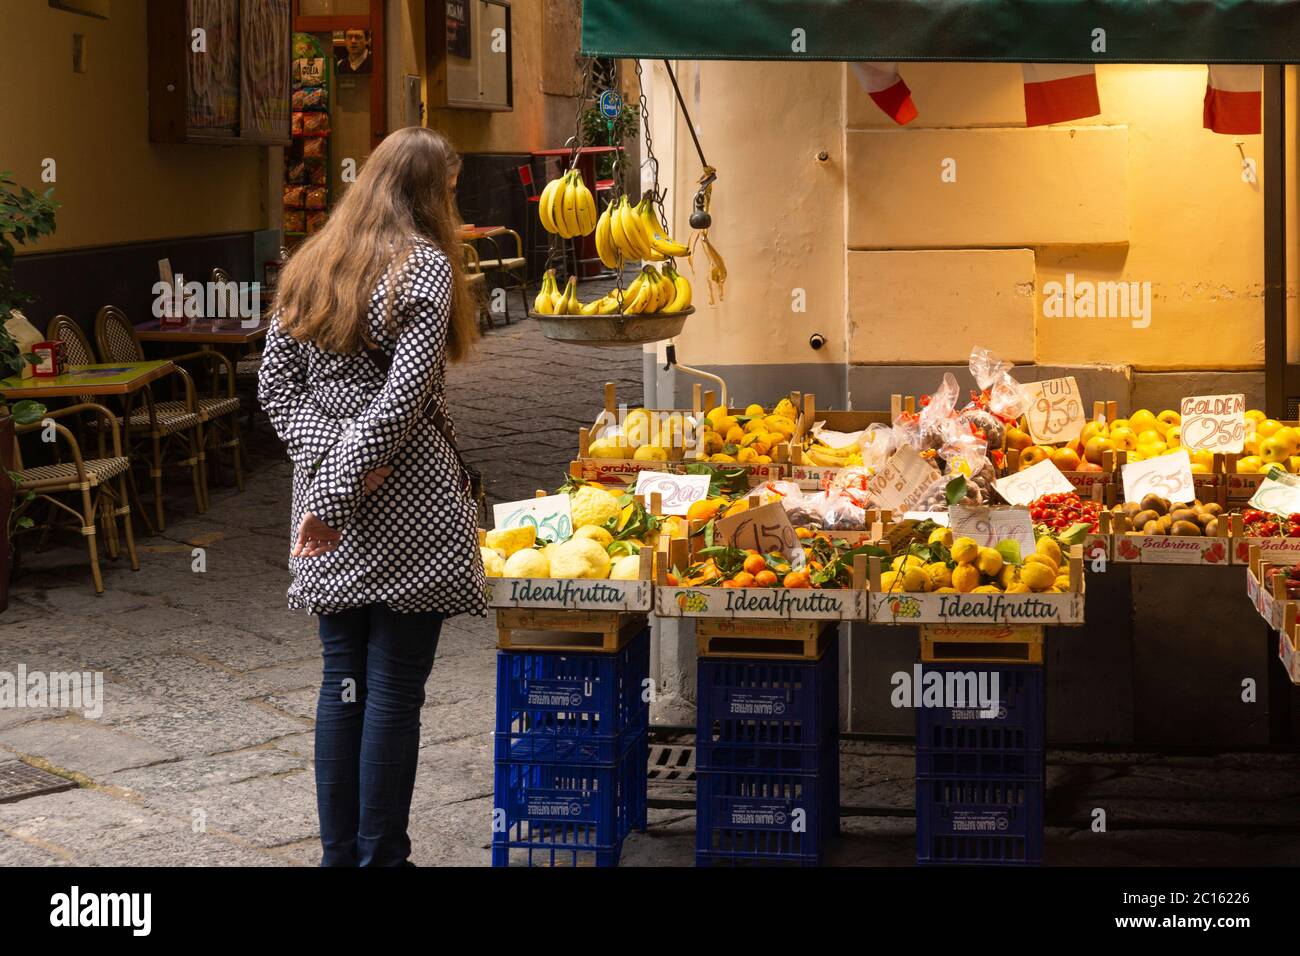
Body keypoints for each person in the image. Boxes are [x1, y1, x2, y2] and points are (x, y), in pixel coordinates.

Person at [258, 127, 484, 867]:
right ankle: (381, 857)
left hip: (330, 504)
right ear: (428, 193)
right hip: (404, 498)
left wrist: (326, 478)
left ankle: (339, 857)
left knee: (342, 680)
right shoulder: (424, 268)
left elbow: (275, 391)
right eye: (449, 190)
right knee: (391, 689)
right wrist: (349, 482)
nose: (453, 204)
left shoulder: (308, 263)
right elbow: (401, 404)